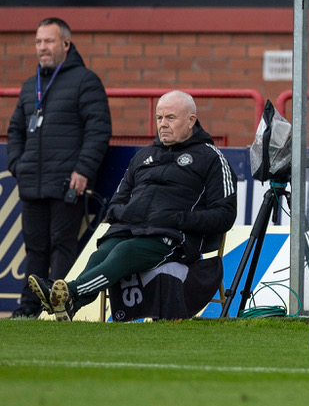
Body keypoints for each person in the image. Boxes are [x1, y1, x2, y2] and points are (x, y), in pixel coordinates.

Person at [26, 91, 234, 321]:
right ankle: (70, 301)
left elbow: (225, 215)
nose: (162, 125)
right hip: (130, 230)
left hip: (172, 237)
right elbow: (116, 202)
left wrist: (177, 219)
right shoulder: (143, 157)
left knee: (122, 253)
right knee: (101, 254)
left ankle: (71, 293)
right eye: (159, 118)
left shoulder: (212, 158)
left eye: (170, 118)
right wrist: (128, 215)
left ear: (191, 121)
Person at [7, 17, 112, 319]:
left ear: (66, 44)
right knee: (35, 249)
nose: (42, 47)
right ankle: (28, 308)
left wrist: (83, 170)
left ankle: (58, 308)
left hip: (68, 182)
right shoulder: (31, 85)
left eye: (49, 41)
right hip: (32, 183)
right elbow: (14, 130)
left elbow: (99, 129)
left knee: (62, 248)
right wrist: (18, 164)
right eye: (39, 41)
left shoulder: (86, 81)